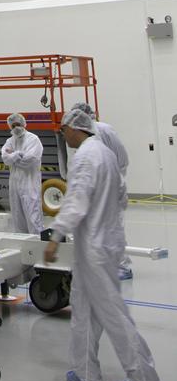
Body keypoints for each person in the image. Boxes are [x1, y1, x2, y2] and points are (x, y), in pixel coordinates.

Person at [44, 107, 160, 381]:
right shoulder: (106, 153)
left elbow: (76, 202)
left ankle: (143, 377)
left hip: (94, 247)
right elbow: (120, 195)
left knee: (111, 313)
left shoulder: (84, 157)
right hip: (104, 242)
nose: (62, 134)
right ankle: (86, 372)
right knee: (83, 307)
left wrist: (56, 236)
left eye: (63, 129)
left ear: (75, 128)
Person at [73, 102, 133, 280]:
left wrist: (114, 179)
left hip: (111, 185)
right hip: (93, 188)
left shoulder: (104, 129)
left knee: (113, 226)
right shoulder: (81, 135)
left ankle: (123, 266)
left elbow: (122, 158)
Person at [1, 112, 44, 234]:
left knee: (33, 215)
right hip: (14, 184)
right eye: (13, 125)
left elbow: (30, 160)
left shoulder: (33, 139)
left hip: (29, 183)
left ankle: (36, 242)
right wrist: (18, 155)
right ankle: (23, 244)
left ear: (24, 124)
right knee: (17, 216)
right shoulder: (10, 141)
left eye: (18, 124)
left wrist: (13, 157)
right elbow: (5, 158)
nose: (16, 127)